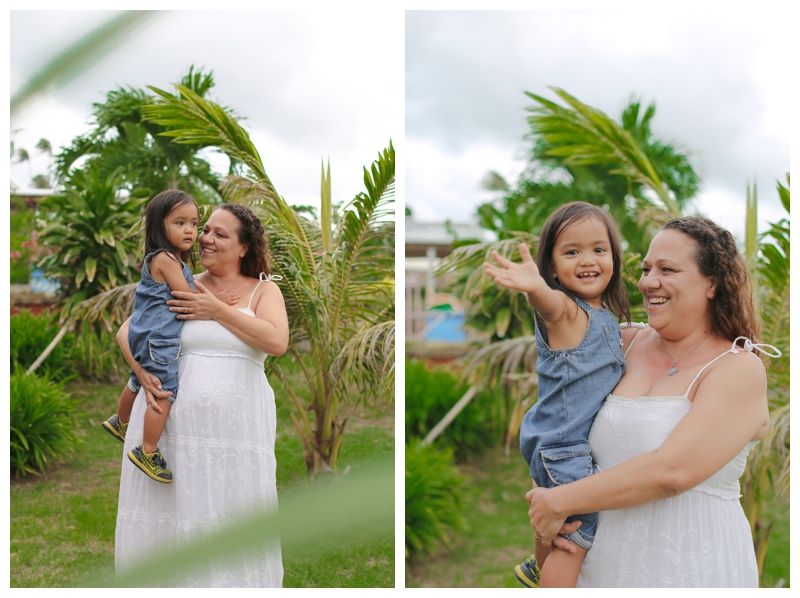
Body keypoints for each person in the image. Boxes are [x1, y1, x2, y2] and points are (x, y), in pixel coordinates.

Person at [525, 216, 781, 588]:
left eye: (667, 269)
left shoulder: (738, 368)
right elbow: (562, 415)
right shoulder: (620, 343)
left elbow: (671, 472)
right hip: (598, 567)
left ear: (712, 282)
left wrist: (558, 501)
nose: (648, 282)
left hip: (687, 567)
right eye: (646, 269)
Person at [114, 203, 288, 587]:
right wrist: (142, 373)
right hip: (170, 434)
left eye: (219, 233)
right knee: (168, 525)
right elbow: (127, 332)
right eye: (205, 228)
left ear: (243, 247)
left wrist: (216, 311)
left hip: (234, 440)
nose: (205, 237)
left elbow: (277, 341)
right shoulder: (179, 280)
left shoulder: (263, 290)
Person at [483, 202, 631, 587]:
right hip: (563, 447)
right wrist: (536, 289)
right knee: (576, 535)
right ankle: (548, 577)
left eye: (599, 250)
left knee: (558, 524)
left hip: (552, 441)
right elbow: (551, 308)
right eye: (571, 252)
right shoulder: (568, 310)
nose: (588, 260)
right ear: (551, 267)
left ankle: (538, 564)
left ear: (614, 257)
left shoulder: (603, 316)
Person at [102, 190, 240, 482]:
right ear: (159, 227)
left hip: (145, 335)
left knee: (136, 380)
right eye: (180, 223)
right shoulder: (165, 259)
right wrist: (219, 303)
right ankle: (148, 450)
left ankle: (120, 421)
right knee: (164, 392)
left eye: (193, 223)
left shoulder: (167, 260)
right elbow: (186, 296)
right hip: (160, 339)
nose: (190, 230)